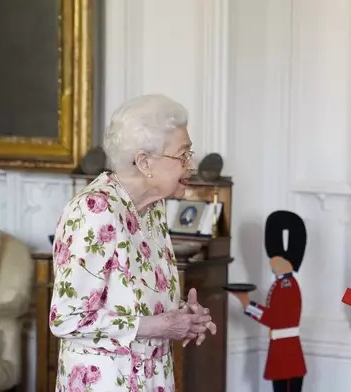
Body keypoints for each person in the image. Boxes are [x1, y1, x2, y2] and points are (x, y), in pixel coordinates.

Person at [49, 94, 217, 391]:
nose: (190, 166)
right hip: (106, 382)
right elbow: (67, 319)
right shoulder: (94, 210)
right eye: (183, 155)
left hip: (152, 378)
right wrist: (163, 326)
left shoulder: (153, 210)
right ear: (144, 161)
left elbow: (130, 297)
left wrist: (183, 316)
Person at [229, 210, 307, 392]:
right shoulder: (281, 284)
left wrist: (248, 305)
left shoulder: (287, 285)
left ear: (288, 263)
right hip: (281, 349)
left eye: (276, 260)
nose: (272, 263)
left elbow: (276, 319)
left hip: (287, 351)